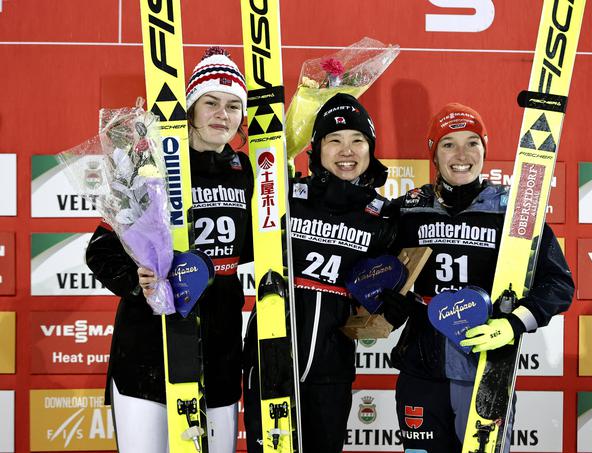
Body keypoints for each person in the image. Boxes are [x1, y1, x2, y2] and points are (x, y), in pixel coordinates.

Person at [380, 103, 574, 453]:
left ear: (485, 149)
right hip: (422, 371)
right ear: (433, 152)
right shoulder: (408, 209)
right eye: (448, 143)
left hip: (487, 369)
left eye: (473, 142)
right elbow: (364, 253)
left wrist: (515, 323)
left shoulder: (512, 210)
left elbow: (558, 284)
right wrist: (388, 301)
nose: (462, 154)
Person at [86, 47, 252, 453]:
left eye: (233, 106)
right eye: (210, 102)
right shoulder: (152, 162)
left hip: (219, 347)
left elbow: (257, 247)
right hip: (149, 344)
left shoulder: (248, 170)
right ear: (191, 107)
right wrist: (135, 280)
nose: (222, 114)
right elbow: (102, 247)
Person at [242, 93, 397, 452]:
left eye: (358, 140)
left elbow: (388, 298)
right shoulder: (286, 195)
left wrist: (391, 310)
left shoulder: (384, 216)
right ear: (317, 148)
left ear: (370, 149)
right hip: (271, 356)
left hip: (332, 367)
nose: (347, 151)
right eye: (335, 140)